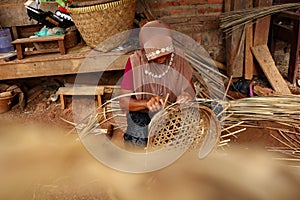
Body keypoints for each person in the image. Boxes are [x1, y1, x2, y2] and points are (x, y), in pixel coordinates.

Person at [119, 20, 196, 147]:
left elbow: (190, 88)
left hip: (172, 110)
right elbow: (124, 102)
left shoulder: (179, 58)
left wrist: (186, 95)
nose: (162, 59)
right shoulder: (135, 62)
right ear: (144, 51)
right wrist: (146, 103)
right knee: (137, 141)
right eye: (156, 56)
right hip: (143, 113)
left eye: (166, 54)